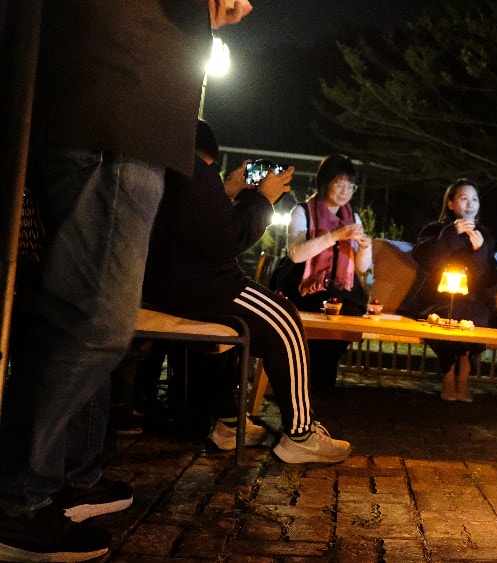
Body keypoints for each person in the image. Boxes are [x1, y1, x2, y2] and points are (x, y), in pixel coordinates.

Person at [0, 2, 252, 560]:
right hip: (118, 98)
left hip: (106, 95)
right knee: (93, 321)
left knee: (71, 317)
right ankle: (15, 502)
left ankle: (33, 484)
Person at [141, 120, 352, 465]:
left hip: (170, 284)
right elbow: (228, 239)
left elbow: (196, 225)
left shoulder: (161, 167)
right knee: (283, 319)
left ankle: (231, 421)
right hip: (199, 285)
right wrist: (264, 199)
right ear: (207, 157)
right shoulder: (192, 170)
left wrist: (226, 190)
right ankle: (300, 433)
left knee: (233, 326)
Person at [278, 155, 373, 391]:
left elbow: (361, 268)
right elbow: (296, 254)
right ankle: (310, 379)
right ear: (325, 183)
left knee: (351, 310)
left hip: (340, 287)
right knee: (324, 306)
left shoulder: (353, 217)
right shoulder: (303, 212)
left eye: (350, 186)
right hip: (304, 284)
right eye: (339, 184)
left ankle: (318, 376)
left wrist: (365, 247)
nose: (345, 191)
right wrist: (334, 236)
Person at [401, 180, 497, 402]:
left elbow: (490, 278)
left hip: (473, 301)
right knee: (444, 318)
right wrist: (451, 235)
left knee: (477, 316)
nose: (470, 204)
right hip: (437, 299)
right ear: (451, 203)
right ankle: (449, 372)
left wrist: (480, 251)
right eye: (464, 198)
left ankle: (464, 368)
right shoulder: (435, 230)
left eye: (474, 199)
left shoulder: (484, 235)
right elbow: (426, 260)